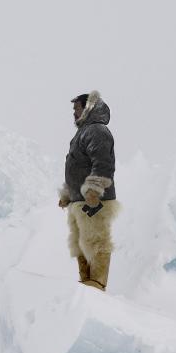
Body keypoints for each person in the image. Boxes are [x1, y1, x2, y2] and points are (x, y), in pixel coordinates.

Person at [57, 91, 119, 290]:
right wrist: (67, 194)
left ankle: (97, 283)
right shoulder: (82, 133)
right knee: (80, 243)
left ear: (88, 108)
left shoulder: (97, 131)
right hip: (79, 200)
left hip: (94, 200)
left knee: (97, 241)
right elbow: (75, 168)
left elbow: (103, 163)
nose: (74, 113)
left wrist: (94, 190)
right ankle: (86, 283)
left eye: (76, 108)